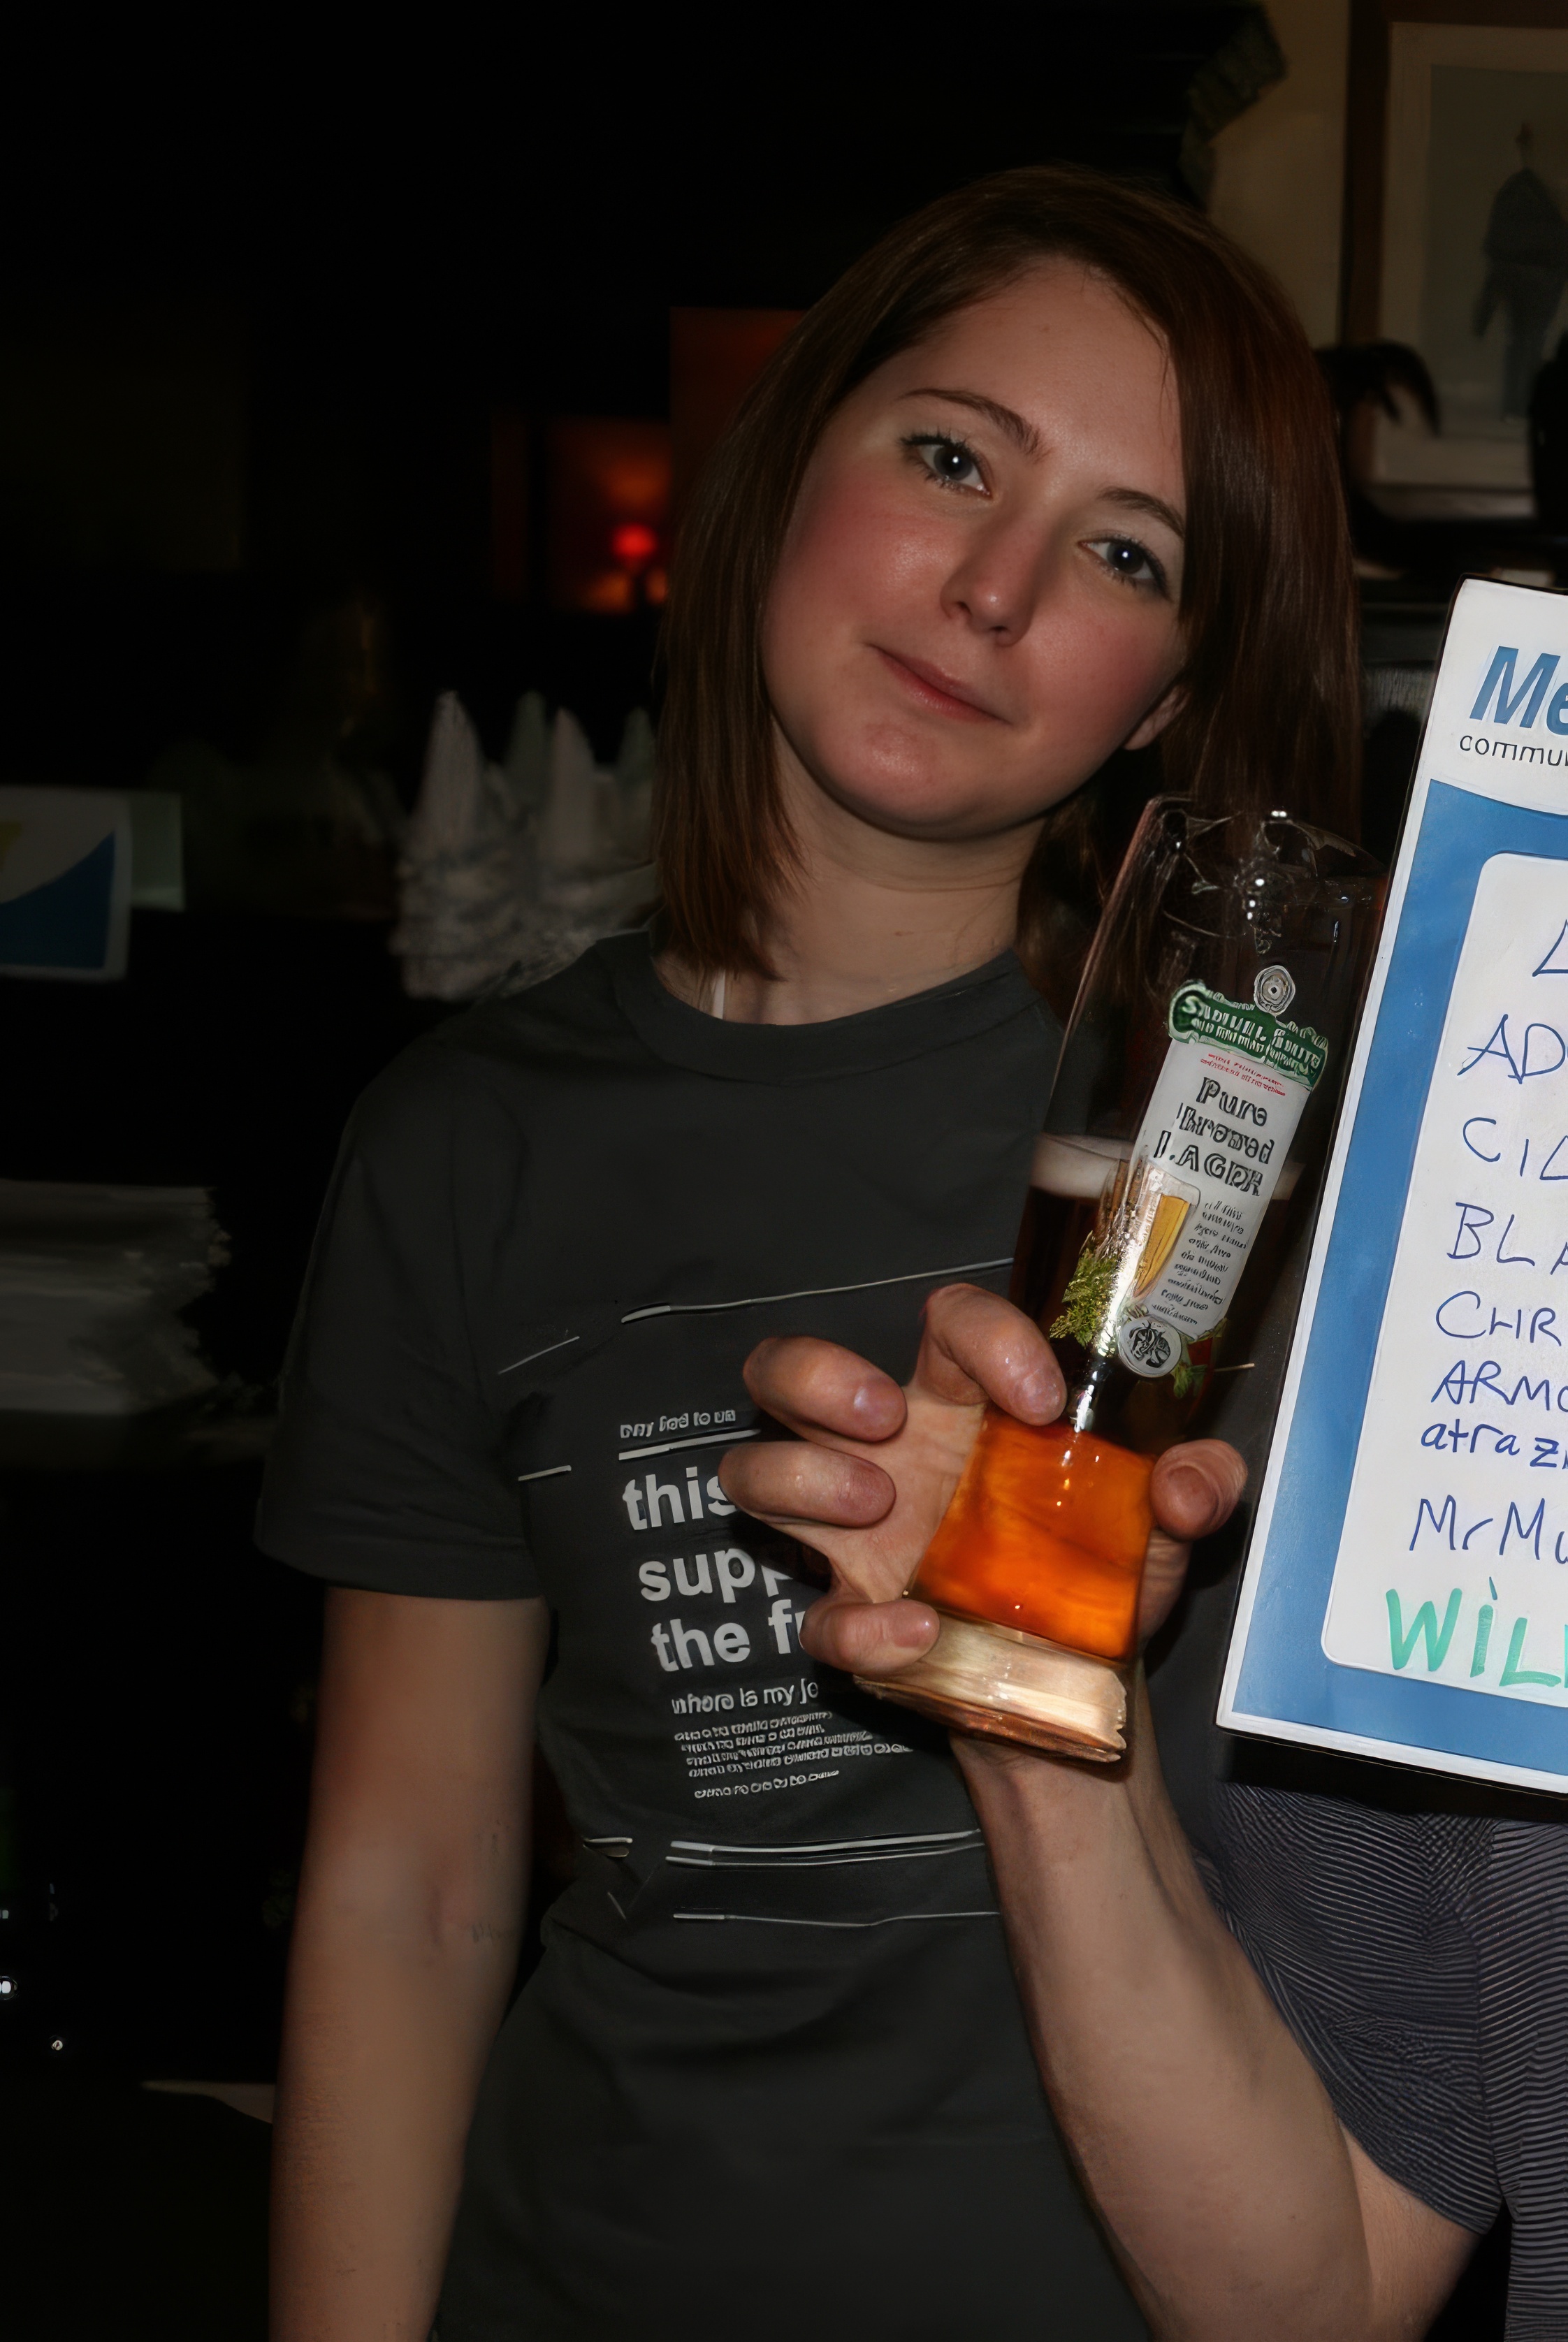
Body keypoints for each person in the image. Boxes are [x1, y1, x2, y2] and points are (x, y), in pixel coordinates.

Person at [259, 166, 1358, 2339]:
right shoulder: (461, 1147)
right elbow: (408, 1892)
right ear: (780, 470)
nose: (989, 589)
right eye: (950, 457)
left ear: (1160, 696)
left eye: (1122, 555)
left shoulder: (1219, 1167)